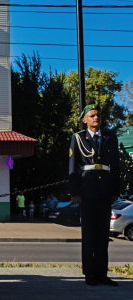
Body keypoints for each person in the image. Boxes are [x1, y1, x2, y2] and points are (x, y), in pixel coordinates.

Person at [69, 104, 120, 286]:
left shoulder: (110, 138)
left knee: (103, 235)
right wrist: (75, 192)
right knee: (89, 235)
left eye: (98, 115)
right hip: (87, 191)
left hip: (105, 191)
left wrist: (115, 191)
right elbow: (73, 167)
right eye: (92, 116)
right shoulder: (78, 138)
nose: (96, 118)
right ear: (85, 120)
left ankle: (102, 274)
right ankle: (89, 274)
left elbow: (115, 166)